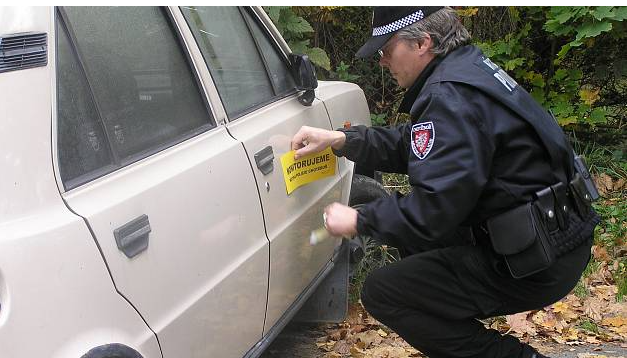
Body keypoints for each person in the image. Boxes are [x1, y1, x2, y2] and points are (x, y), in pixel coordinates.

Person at [290, 6, 601, 358]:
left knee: (385, 292)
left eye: (386, 49)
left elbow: (432, 211)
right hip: (553, 236)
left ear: (422, 43)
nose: (382, 61)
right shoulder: (467, 71)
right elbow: (421, 144)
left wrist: (362, 219)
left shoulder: (449, 96)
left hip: (537, 257)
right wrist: (344, 141)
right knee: (418, 256)